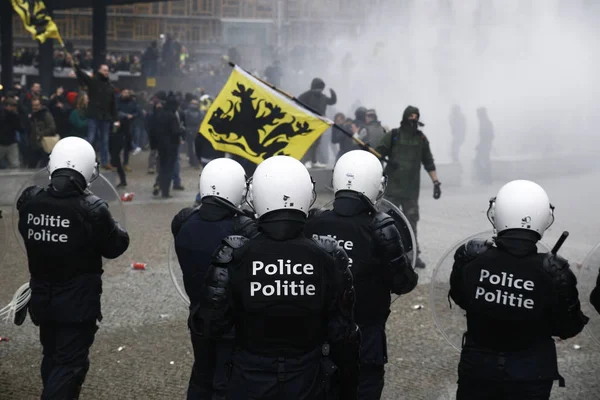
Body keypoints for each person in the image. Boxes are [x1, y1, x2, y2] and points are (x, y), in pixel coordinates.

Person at [190, 156, 360, 400]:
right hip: (308, 379)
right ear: (306, 194)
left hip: (248, 378)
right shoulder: (328, 257)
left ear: (255, 195)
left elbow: (209, 326)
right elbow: (344, 334)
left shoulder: (233, 254)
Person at [449, 180, 588, 400]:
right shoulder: (555, 272)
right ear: (544, 218)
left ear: (497, 213)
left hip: (477, 368)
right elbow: (569, 327)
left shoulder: (471, 258)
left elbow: (460, 297)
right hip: (531, 374)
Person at [16, 136, 129, 399]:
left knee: (52, 356)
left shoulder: (30, 201)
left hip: (42, 297)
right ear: (89, 169)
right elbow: (116, 246)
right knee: (70, 365)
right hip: (77, 303)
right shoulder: (91, 208)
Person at [305, 150, 418, 400]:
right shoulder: (381, 227)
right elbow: (403, 283)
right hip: (365, 337)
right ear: (374, 184)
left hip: (319, 336)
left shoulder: (313, 223)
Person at [172, 158, 257, 400]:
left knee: (201, 375)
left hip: (198, 316)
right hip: (233, 324)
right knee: (226, 382)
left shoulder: (184, 223)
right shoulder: (243, 230)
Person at [376, 105, 441, 269]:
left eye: (416, 116)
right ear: (405, 117)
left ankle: (412, 256)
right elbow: (377, 153)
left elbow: (429, 161)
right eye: (410, 116)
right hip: (391, 190)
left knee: (411, 224)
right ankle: (379, 254)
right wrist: (385, 160)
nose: (413, 119)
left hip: (411, 192)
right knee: (384, 222)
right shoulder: (394, 136)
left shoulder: (421, 139)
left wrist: (436, 182)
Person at [73, 63, 117, 170]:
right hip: (94, 115)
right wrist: (76, 67)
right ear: (100, 71)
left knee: (104, 140)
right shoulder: (94, 81)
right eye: (104, 70)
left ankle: (105, 162)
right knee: (91, 137)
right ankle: (82, 158)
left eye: (107, 70)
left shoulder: (110, 86)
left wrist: (115, 118)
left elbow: (113, 104)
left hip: (105, 116)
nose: (106, 72)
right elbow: (83, 76)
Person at [298, 78, 337, 168]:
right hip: (309, 122)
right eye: (317, 88)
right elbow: (298, 101)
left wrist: (333, 93)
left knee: (316, 143)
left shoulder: (323, 97)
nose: (319, 90)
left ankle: (314, 161)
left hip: (320, 123)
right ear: (313, 87)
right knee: (309, 142)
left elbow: (332, 101)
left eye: (321, 88)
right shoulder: (307, 95)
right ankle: (306, 160)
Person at [29, 97, 57, 168]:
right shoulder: (32, 115)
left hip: (43, 144)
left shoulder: (45, 114)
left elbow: (52, 128)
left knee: (43, 165)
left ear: (41, 105)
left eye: (37, 105)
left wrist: (41, 134)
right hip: (34, 144)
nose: (35, 107)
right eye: (33, 105)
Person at [0, 97, 22, 168]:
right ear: (8, 106)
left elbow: (19, 127)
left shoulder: (15, 115)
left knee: (15, 164)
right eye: (13, 106)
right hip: (2, 142)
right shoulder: (2, 114)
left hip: (11, 142)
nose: (14, 108)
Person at [475, 107, 494, 184]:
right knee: (483, 161)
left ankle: (486, 178)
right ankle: (486, 178)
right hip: (484, 145)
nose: (477, 116)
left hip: (485, 145)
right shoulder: (485, 122)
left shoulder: (485, 123)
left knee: (483, 161)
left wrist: (482, 144)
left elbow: (488, 136)